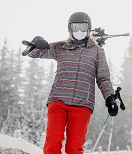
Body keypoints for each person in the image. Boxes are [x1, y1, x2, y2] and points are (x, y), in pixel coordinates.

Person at [23, 12, 119, 154]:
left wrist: (109, 97)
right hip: (58, 101)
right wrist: (37, 43)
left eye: (83, 26)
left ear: (88, 28)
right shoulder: (60, 47)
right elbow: (33, 53)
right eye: (75, 27)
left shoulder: (97, 51)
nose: (79, 31)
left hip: (82, 104)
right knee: (52, 142)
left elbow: (103, 78)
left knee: (74, 147)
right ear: (70, 29)